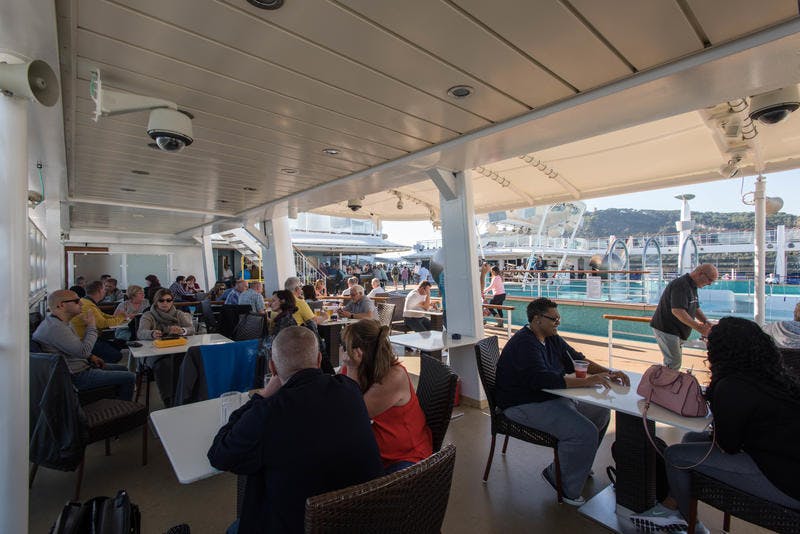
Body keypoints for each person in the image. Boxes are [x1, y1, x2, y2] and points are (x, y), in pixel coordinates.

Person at [208, 326, 382, 534]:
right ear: (318, 360)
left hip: (298, 524)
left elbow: (218, 455)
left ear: (272, 368)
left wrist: (263, 395)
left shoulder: (267, 413)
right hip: (363, 519)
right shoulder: (349, 389)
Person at [634, 317, 800, 532]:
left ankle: (685, 520)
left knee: (675, 456)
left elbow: (728, 444)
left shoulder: (732, 386)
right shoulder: (772, 377)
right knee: (691, 439)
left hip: (782, 479)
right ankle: (672, 504)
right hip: (784, 458)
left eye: (707, 341)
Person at [495, 297, 629, 505]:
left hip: (546, 398)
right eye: (554, 319)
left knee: (601, 413)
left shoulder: (551, 338)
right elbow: (542, 380)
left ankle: (577, 466)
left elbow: (576, 359)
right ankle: (561, 482)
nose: (558, 322)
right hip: (521, 404)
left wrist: (608, 372)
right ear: (537, 319)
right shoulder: (524, 344)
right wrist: (587, 382)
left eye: (559, 318)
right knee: (584, 432)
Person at [340, 320, 432, 473]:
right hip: (374, 447)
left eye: (345, 347)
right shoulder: (358, 367)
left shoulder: (393, 376)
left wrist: (351, 368)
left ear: (358, 352)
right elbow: (339, 394)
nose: (343, 352)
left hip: (404, 456)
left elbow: (352, 415)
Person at [32, 290, 135, 400]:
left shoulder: (61, 322)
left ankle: (115, 403)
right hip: (76, 376)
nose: (81, 304)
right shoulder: (55, 328)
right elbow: (83, 352)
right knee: (130, 377)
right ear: (61, 305)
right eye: (77, 301)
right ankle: (122, 408)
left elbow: (77, 349)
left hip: (82, 366)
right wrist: (91, 326)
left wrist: (91, 356)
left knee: (123, 369)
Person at [650, 264, 718, 370]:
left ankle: (668, 384)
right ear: (700, 274)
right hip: (667, 329)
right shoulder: (681, 285)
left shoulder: (692, 286)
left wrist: (706, 321)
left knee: (674, 362)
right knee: (673, 363)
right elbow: (677, 311)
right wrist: (699, 327)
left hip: (676, 331)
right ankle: (666, 385)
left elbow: (694, 307)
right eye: (710, 280)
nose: (710, 284)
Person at [137, 288, 195, 407]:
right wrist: (152, 334)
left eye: (169, 300)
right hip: (154, 353)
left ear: (172, 301)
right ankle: (169, 401)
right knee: (164, 365)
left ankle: (187, 396)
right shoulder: (148, 315)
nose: (165, 303)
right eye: (161, 300)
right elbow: (141, 332)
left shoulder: (178, 314)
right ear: (156, 302)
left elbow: (191, 329)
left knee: (189, 360)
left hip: (177, 350)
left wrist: (182, 330)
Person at [71, 281, 128, 363]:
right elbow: (102, 324)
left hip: (92, 337)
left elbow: (103, 315)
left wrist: (117, 317)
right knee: (116, 355)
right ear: (100, 291)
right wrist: (121, 317)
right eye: (104, 289)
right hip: (85, 341)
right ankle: (100, 368)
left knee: (119, 344)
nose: (106, 291)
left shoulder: (87, 301)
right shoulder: (87, 305)